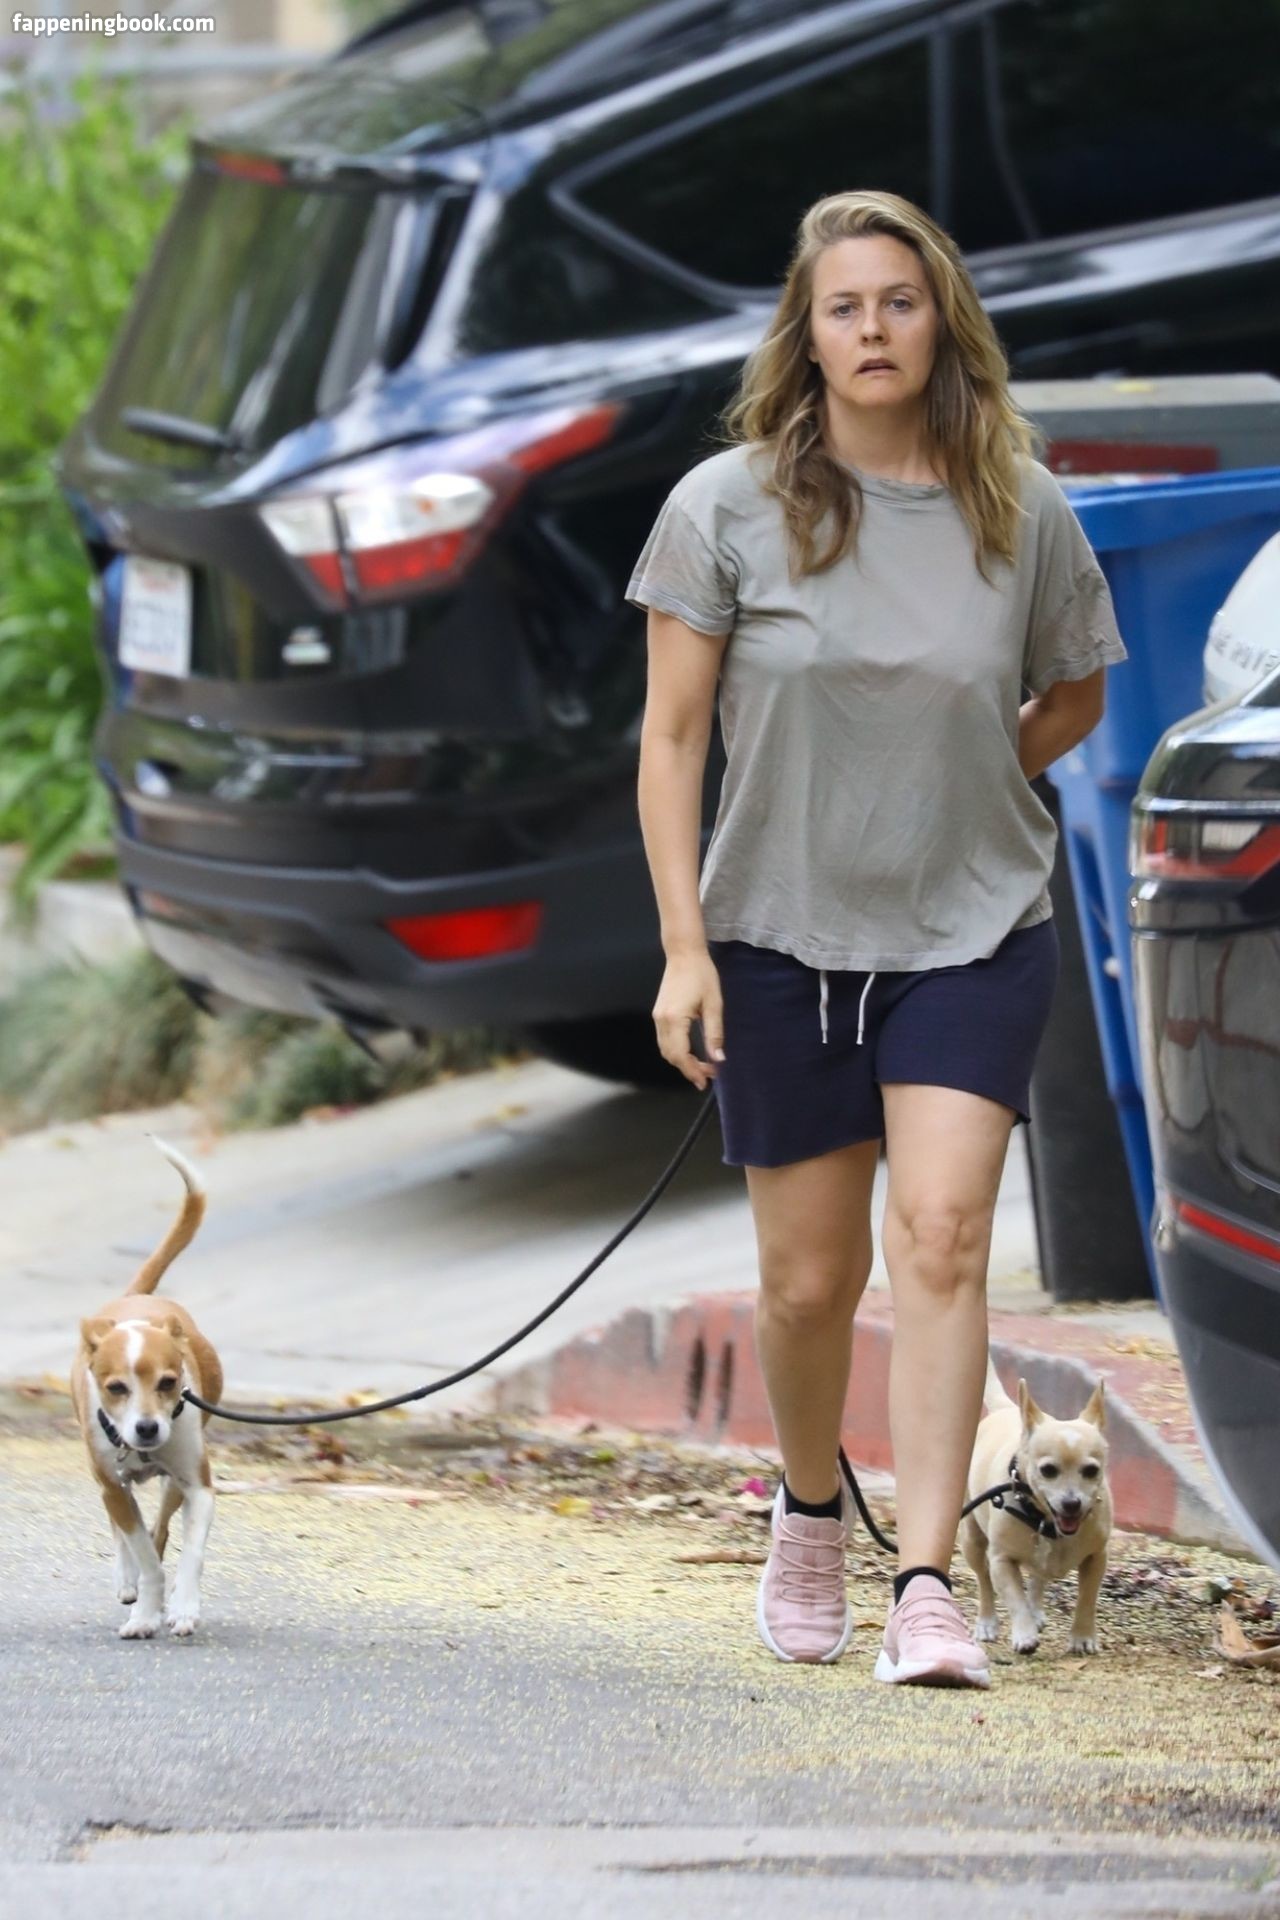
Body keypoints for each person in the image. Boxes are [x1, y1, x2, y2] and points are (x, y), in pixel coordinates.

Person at [627, 189, 1127, 1688]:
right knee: (806, 1282)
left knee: (946, 1239)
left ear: (940, 321)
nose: (873, 329)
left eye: (899, 301)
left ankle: (923, 1583)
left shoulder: (1017, 504)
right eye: (843, 307)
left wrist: (966, 779)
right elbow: (670, 740)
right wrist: (684, 948)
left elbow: (1077, 691)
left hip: (973, 929)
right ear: (808, 333)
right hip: (777, 938)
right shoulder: (724, 507)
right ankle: (805, 1512)